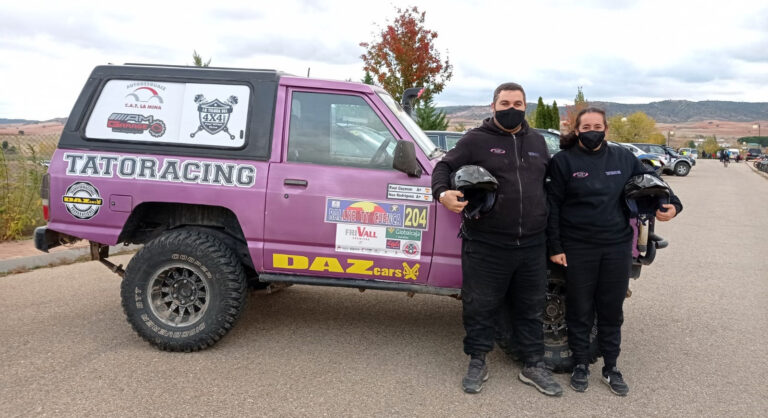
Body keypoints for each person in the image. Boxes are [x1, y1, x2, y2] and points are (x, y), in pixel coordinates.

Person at [431, 82, 562, 396]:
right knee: (480, 306)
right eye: (505, 103)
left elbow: (549, 186)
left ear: (525, 106)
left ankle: (533, 365)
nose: (511, 108)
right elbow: (444, 166)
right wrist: (442, 193)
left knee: (530, 308)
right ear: (493, 106)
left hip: (531, 244)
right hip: (487, 244)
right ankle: (477, 360)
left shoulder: (537, 142)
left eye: (517, 103)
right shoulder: (477, 139)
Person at [546, 107, 683, 396]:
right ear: (577, 130)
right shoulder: (563, 161)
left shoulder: (623, 157)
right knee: (580, 308)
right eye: (586, 127)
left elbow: (652, 182)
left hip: (616, 247)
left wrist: (673, 203)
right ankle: (581, 364)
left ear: (606, 129)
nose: (592, 131)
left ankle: (611, 367)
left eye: (598, 126)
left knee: (611, 310)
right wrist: (556, 246)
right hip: (578, 247)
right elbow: (553, 206)